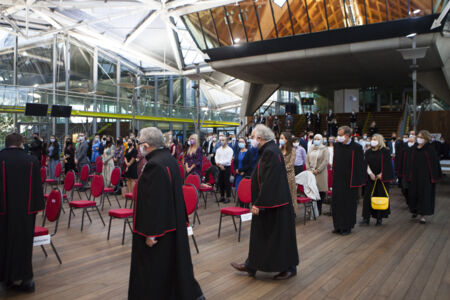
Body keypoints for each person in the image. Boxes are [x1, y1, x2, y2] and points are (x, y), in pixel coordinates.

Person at [129, 127, 203, 300]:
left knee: (155, 274)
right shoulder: (169, 159)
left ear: (146, 145)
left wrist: (150, 232)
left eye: (140, 143)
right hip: (172, 223)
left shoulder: (153, 165)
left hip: (159, 230)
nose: (139, 147)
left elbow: (153, 203)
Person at [230, 124, 299, 280]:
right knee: (260, 237)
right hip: (269, 202)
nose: (250, 140)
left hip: (273, 204)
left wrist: (259, 203)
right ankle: (251, 265)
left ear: (259, 138)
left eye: (252, 137)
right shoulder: (268, 150)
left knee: (278, 237)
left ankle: (289, 267)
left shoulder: (270, 152)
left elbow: (270, 181)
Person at [0, 133, 44, 293]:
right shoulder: (31, 161)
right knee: (23, 245)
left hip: (3, 211)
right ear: (20, 144)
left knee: (3, 243)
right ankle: (26, 279)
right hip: (25, 211)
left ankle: (5, 278)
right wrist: (36, 208)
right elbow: (37, 188)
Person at [332, 126, 366, 235]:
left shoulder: (356, 147)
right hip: (338, 180)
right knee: (337, 204)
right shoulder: (337, 146)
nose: (338, 137)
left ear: (347, 135)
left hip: (350, 181)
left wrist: (358, 181)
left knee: (348, 205)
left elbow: (360, 165)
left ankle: (347, 226)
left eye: (340, 135)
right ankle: (337, 225)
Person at [406, 130, 442, 224]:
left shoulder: (430, 149)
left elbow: (434, 164)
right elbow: (408, 162)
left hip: (425, 177)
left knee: (424, 196)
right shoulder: (413, 149)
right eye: (418, 136)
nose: (419, 139)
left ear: (426, 138)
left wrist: (434, 176)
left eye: (421, 137)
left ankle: (422, 215)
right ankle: (414, 210)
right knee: (413, 194)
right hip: (413, 176)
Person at [360, 134, 394, 226]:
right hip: (371, 178)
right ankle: (366, 218)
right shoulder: (368, 152)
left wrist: (381, 174)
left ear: (379, 141)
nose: (373, 141)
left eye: (375, 139)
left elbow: (387, 165)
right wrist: (370, 173)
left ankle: (379, 218)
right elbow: (365, 163)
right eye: (372, 139)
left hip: (381, 179)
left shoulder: (385, 151)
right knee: (367, 197)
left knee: (380, 197)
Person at [305, 134, 329, 215]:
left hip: (320, 173)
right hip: (311, 172)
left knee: (320, 191)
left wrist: (318, 170)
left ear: (321, 140)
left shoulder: (324, 149)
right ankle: (312, 209)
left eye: (318, 139)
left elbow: (325, 161)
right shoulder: (311, 147)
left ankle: (319, 209)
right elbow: (307, 159)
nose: (316, 140)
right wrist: (308, 169)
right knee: (312, 191)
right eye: (315, 138)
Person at [280, 132, 298, 212]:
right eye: (280, 138)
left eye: (282, 138)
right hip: (280, 176)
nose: (280, 140)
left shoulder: (293, 150)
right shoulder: (279, 150)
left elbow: (291, 164)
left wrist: (281, 168)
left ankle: (292, 212)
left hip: (289, 176)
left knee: (290, 195)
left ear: (287, 140)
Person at [215, 136, 233, 203]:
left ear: (226, 141)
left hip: (226, 167)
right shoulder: (218, 149)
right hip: (219, 167)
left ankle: (228, 197)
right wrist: (219, 164)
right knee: (220, 182)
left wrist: (220, 163)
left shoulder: (230, 150)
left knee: (227, 182)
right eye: (221, 140)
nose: (222, 141)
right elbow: (216, 157)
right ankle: (222, 196)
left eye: (223, 140)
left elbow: (228, 160)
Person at [399, 135, 416, 203]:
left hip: (414, 174)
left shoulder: (417, 149)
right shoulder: (404, 149)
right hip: (405, 173)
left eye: (412, 140)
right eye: (409, 140)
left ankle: (412, 203)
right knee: (404, 189)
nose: (410, 141)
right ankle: (408, 200)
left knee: (412, 189)